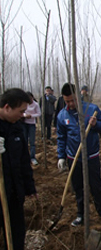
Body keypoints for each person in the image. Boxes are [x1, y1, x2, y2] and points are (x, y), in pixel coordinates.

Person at [56, 83, 101, 226]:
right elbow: (61, 137)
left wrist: (96, 125)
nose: (70, 104)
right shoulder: (62, 115)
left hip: (91, 157)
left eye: (73, 100)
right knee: (78, 188)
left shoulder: (91, 109)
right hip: (73, 158)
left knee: (96, 186)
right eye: (67, 101)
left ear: (78, 96)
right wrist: (61, 156)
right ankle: (81, 215)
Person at [0, 88, 37, 250]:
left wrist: (29, 187)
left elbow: (24, 160)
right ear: (7, 107)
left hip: (14, 193)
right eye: (21, 111)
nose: (23, 115)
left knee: (17, 234)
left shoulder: (17, 127)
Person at [22, 92, 41, 165]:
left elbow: (39, 113)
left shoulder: (36, 104)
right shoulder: (24, 104)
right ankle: (25, 157)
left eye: (30, 98)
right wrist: (25, 115)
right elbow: (21, 112)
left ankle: (32, 157)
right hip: (24, 123)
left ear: (32, 97)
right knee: (25, 141)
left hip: (32, 124)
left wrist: (31, 116)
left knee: (32, 142)